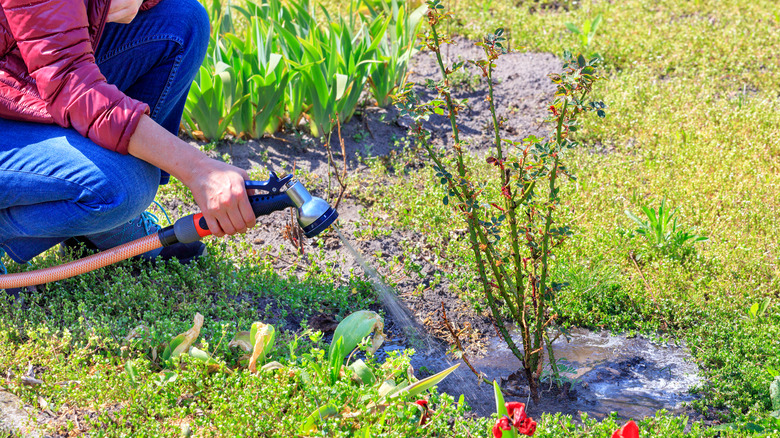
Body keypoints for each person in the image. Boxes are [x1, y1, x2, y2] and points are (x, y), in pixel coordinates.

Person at [0, 0, 256, 274]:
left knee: (182, 22)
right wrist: (200, 171)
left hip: (19, 74)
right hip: (41, 84)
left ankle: (97, 230)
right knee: (125, 185)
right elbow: (72, 85)